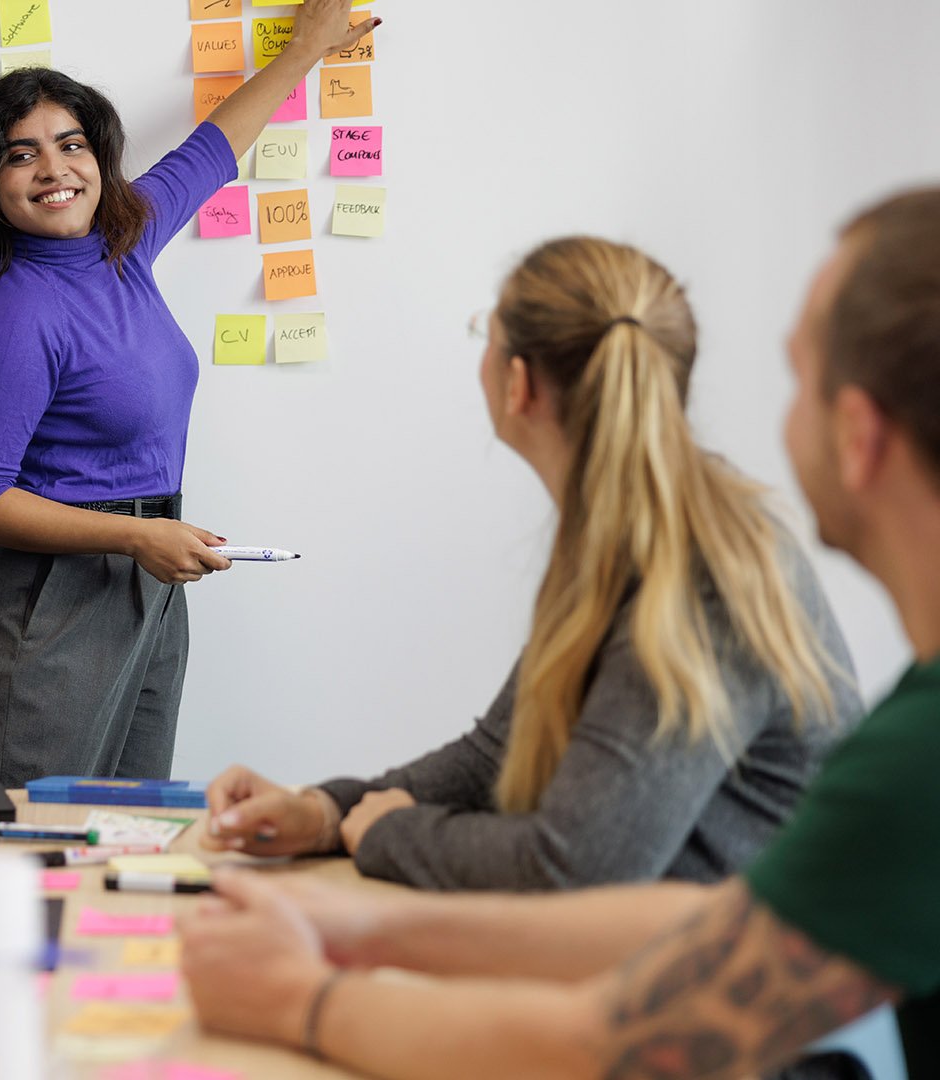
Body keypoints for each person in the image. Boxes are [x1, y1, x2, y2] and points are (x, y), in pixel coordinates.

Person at [179, 189, 940, 1077]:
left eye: (799, 375)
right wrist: (334, 817)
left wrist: (308, 985)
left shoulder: (729, 596)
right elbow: (516, 769)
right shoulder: (616, 544)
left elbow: (591, 924)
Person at [201, 235, 862, 892]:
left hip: (762, 983)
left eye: (484, 333)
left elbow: (573, 866)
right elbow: (497, 755)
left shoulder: (700, 576)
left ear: (517, 384)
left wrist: (386, 836)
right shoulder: (622, 530)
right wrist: (325, 812)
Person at [0, 0, 381, 790]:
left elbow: (212, 150)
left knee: (126, 832)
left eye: (71, 144)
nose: (55, 169)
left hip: (148, 577)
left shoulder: (124, 243)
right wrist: (137, 541)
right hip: (55, 596)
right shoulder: (19, 314)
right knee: (20, 837)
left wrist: (304, 50)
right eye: (21, 155)